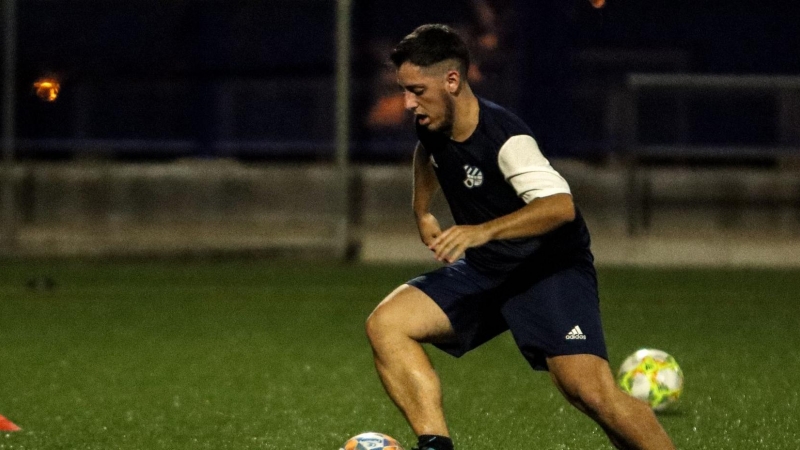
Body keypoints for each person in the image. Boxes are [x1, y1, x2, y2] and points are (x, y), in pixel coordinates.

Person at [364, 24, 675, 450]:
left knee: (589, 392)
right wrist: (422, 212)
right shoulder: (431, 124)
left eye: (416, 90)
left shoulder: (507, 139)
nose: (408, 103)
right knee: (387, 324)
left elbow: (560, 206)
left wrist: (481, 231)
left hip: (546, 269)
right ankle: (435, 446)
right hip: (488, 268)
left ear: (452, 80)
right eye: (404, 90)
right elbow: (427, 156)